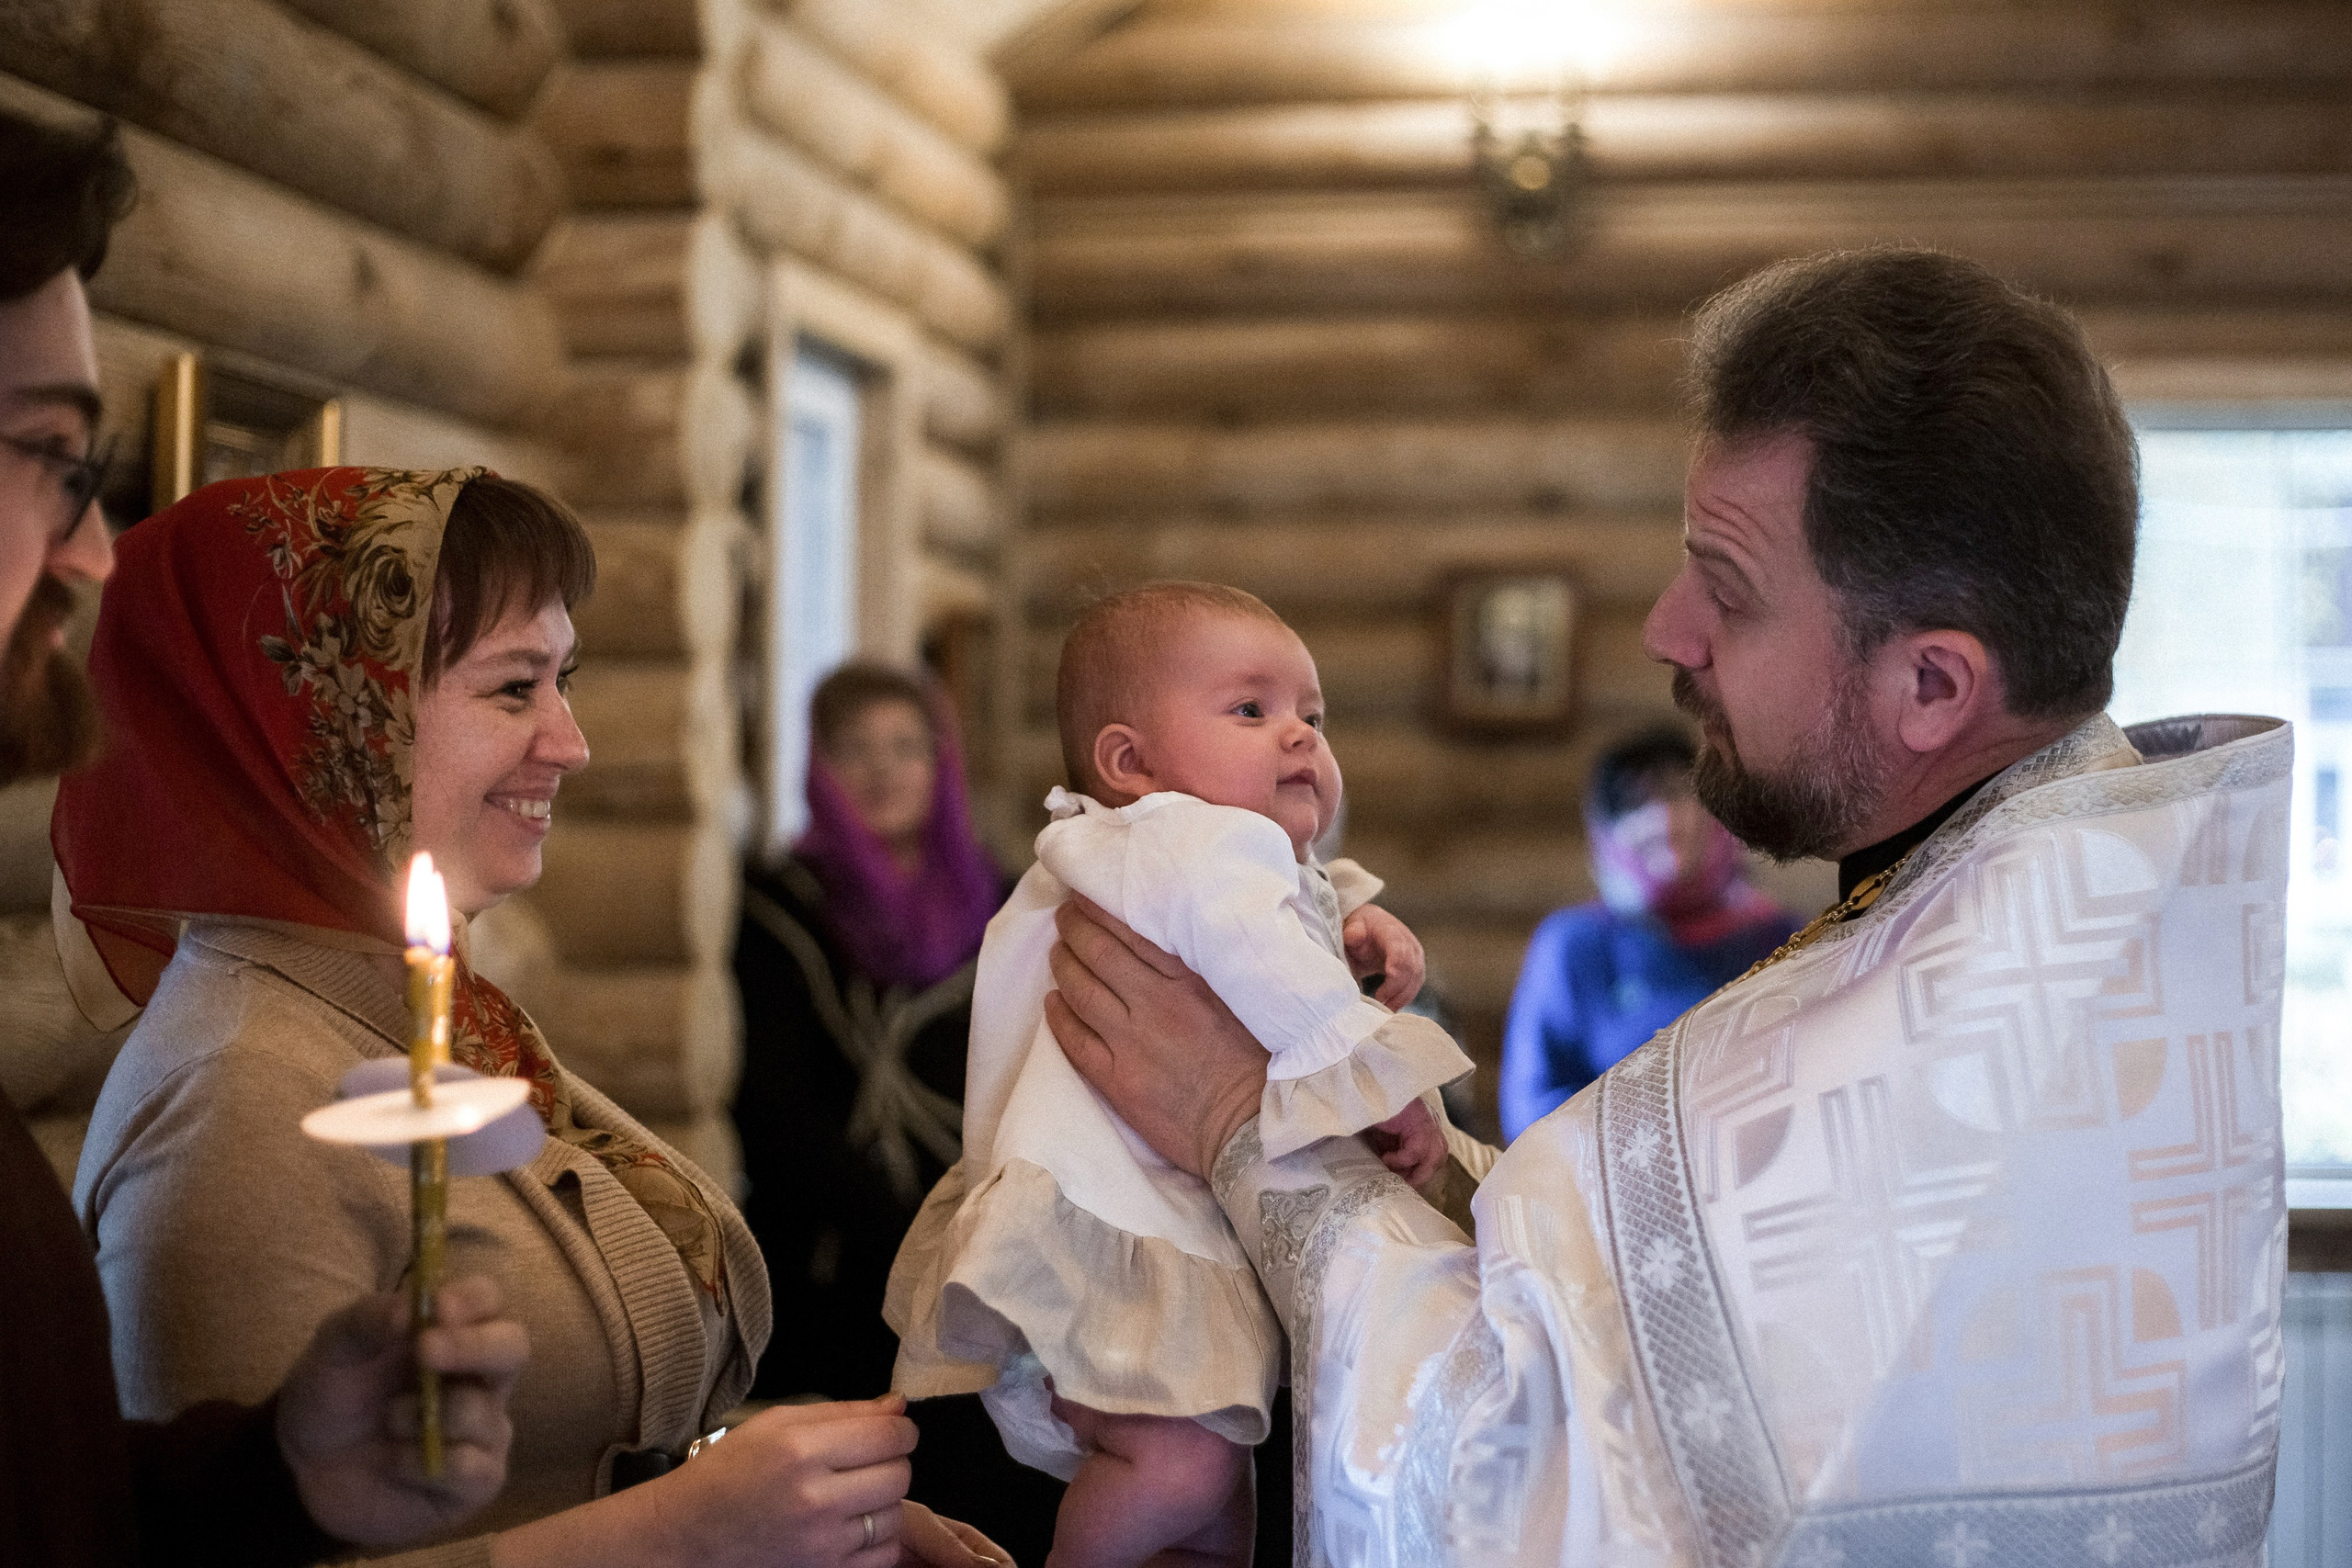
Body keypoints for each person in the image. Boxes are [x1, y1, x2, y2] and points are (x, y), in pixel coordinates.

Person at [1040, 249, 2289, 1564]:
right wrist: (1442, 1174)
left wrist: (1244, 1125)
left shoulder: (1990, 1037)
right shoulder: (2041, 907)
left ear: (1932, 685)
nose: (1664, 628)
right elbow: (1637, 1346)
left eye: (1729, 590)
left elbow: (1508, 1484)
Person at [59, 467, 1006, 1568]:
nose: (570, 741)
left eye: (565, 680)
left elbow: (570, 1460)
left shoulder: (427, 1015)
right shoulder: (235, 1101)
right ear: (330, 719)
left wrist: (815, 1509)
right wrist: (689, 1534)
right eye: (515, 689)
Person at [0, 110, 532, 1568]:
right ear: (328, 718)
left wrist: (279, 1471)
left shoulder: (464, 1014)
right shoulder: (229, 1087)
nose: (91, 547)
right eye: (50, 453)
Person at [888, 582, 1475, 1568]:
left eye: (1311, 715)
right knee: (1184, 1472)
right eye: (1252, 710)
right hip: (1125, 1224)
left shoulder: (1177, 857)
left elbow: (1277, 926)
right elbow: (1269, 967)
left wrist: (1352, 931)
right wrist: (1385, 1087)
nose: (1297, 735)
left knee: (1211, 1508)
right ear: (1129, 762)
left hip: (1148, 1228)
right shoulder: (1184, 840)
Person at [730, 661, 1059, 1561]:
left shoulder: (1001, 903)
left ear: (940, 762)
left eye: (906, 747)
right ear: (817, 767)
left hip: (992, 1256)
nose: (883, 771)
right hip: (841, 1269)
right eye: (854, 751)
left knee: (999, 1497)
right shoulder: (778, 908)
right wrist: (911, 1225)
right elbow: (774, 1106)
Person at [1498, 727, 1798, 1141]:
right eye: (1636, 804)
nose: (1663, 819)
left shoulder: (1781, 938)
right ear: (1605, 834)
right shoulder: (1574, 946)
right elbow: (1532, 1105)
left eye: (1678, 794)